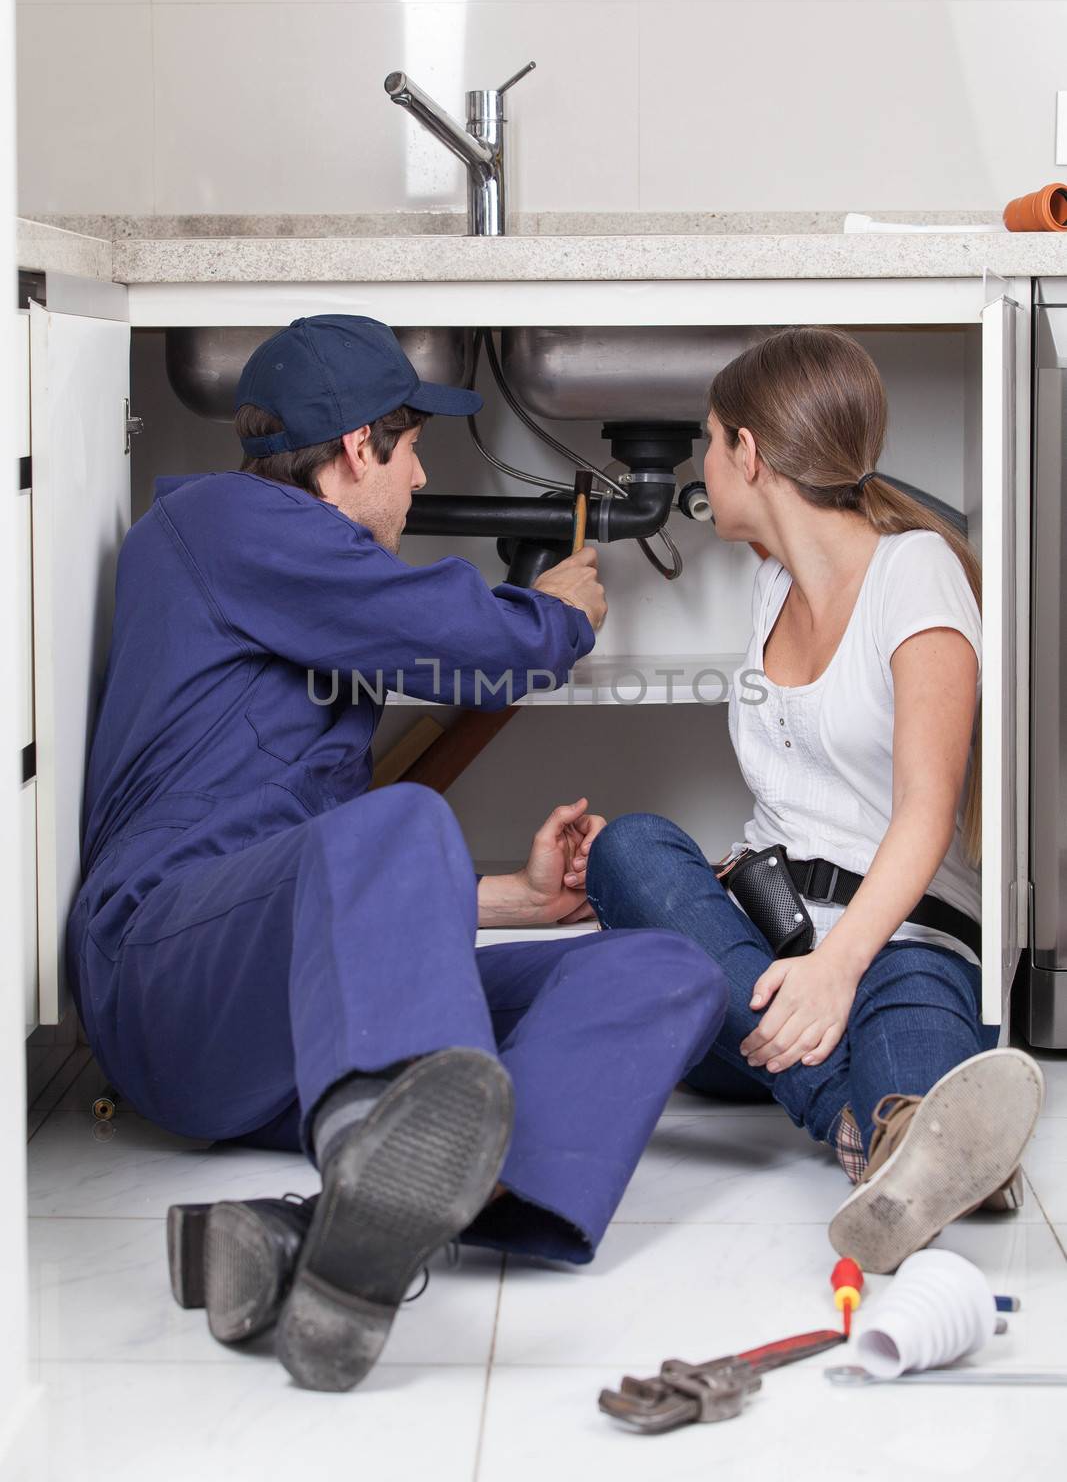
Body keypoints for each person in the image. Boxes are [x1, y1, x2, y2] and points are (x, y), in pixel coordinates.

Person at [66, 314, 729, 1392]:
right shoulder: (224, 521)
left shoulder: (286, 577)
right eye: (412, 448)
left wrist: (499, 899)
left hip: (283, 1008)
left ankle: (356, 1219)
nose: (420, 479)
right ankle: (379, 1129)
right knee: (404, 815)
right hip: (164, 978)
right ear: (356, 450)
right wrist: (554, 616)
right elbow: (468, 641)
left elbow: (314, 874)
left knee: (663, 966)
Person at [584, 326, 1044, 1275]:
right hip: (768, 963)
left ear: (747, 452)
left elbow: (926, 808)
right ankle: (885, 1133)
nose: (702, 467)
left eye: (710, 442)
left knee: (903, 997)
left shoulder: (912, 572)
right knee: (629, 849)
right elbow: (784, 813)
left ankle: (888, 1125)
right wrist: (756, 937)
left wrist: (835, 963)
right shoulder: (767, 586)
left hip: (895, 942)